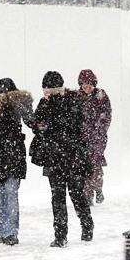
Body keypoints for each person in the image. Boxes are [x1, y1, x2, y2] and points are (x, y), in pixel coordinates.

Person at [30, 71, 94, 247]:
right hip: (62, 156)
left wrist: (48, 119)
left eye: (47, 89)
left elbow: (72, 124)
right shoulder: (54, 102)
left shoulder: (68, 101)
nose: (45, 93)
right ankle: (70, 232)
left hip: (66, 155)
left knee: (68, 195)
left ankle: (73, 231)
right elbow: (37, 125)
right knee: (66, 195)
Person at [0, 78, 34, 245]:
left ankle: (10, 233)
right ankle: (4, 232)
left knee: (9, 195)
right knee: (0, 196)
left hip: (11, 156)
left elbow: (31, 121)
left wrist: (21, 105)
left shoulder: (19, 103)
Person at [77, 69, 112, 205]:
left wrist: (100, 130)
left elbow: (107, 114)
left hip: (98, 138)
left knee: (95, 164)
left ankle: (98, 189)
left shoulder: (101, 95)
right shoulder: (77, 96)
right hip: (82, 138)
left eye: (89, 86)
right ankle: (87, 194)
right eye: (84, 86)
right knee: (84, 166)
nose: (87, 88)